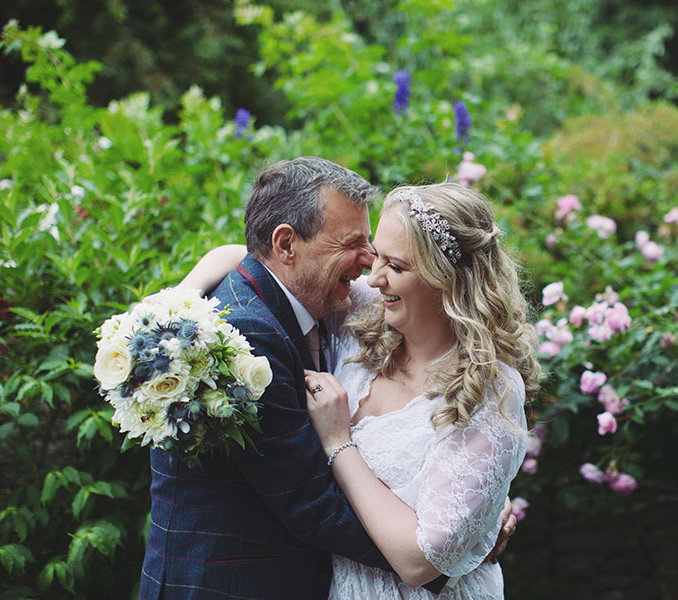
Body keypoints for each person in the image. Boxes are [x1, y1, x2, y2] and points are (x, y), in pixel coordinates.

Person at [140, 158, 514, 599]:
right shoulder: (250, 332)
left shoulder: (340, 304)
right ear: (286, 245)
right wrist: (453, 546)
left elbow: (242, 252)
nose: (371, 267)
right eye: (356, 244)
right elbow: (312, 501)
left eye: (387, 258)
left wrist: (471, 504)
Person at [301, 183, 542, 598]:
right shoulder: (368, 313)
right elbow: (264, 264)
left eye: (396, 266)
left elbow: (419, 563)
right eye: (376, 255)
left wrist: (338, 443)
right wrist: (183, 305)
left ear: (449, 280)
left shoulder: (489, 390)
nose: (373, 277)